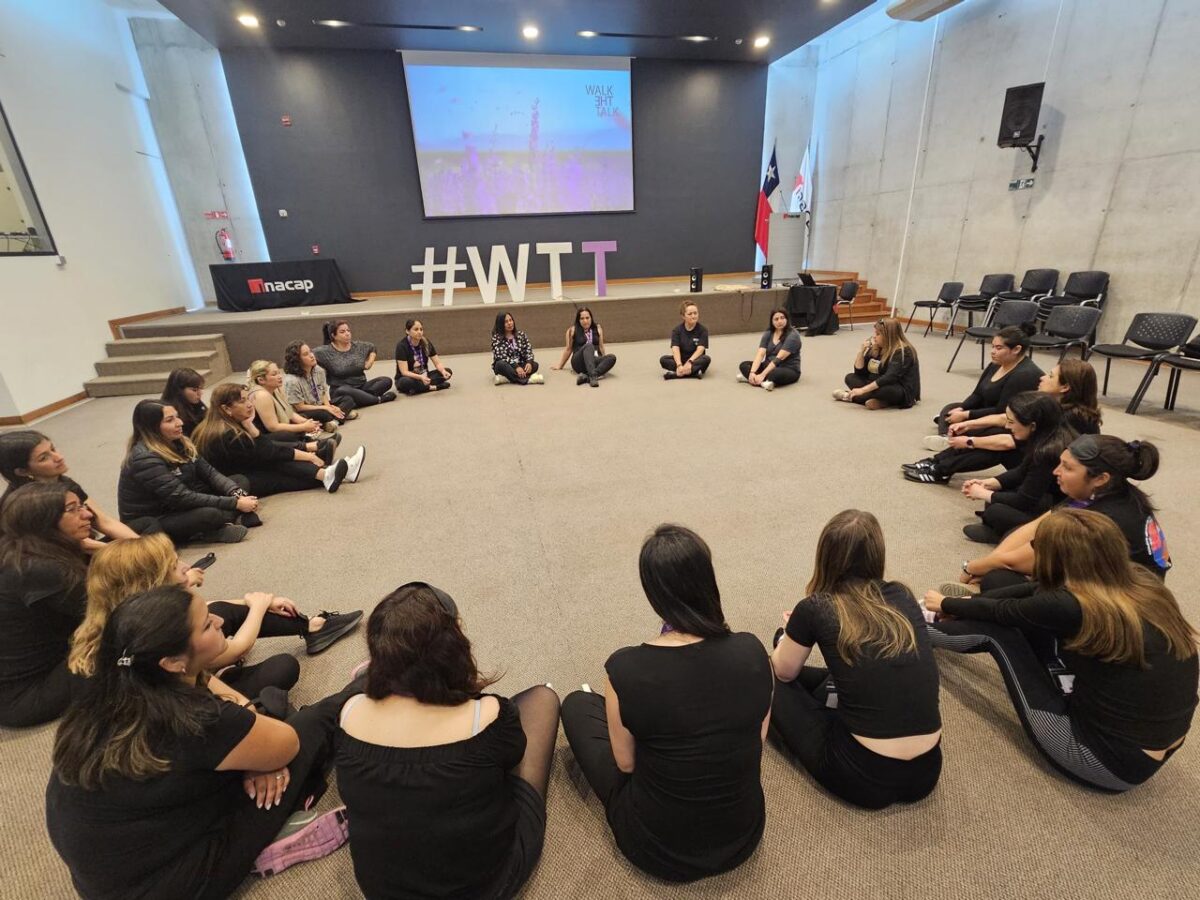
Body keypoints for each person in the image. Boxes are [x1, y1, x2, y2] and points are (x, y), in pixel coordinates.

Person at [46, 585, 357, 899]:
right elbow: (288, 743)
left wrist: (251, 749)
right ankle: (367, 684)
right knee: (313, 725)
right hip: (165, 883)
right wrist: (263, 760)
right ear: (171, 662)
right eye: (207, 624)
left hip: (110, 871)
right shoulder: (193, 718)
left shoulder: (112, 690)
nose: (219, 622)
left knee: (266, 729)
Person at [923, 509, 1197, 792]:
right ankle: (962, 612)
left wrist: (947, 605)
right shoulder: (1138, 581)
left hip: (1106, 761)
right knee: (1002, 585)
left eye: (1036, 547)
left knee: (999, 634)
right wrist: (967, 603)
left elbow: (1012, 611)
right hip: (1151, 741)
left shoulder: (1074, 605)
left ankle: (913, 629)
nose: (1031, 550)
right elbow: (1035, 594)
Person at [560, 525, 773, 882]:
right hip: (743, 835)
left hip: (656, 848)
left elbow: (626, 764)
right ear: (709, 580)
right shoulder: (754, 652)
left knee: (577, 705)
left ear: (653, 594)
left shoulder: (625, 669)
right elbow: (758, 740)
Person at [336, 582, 559, 899]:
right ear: (452, 649)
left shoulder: (349, 715)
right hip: (482, 886)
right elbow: (513, 755)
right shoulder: (486, 716)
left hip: (382, 890)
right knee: (543, 699)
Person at [771, 510, 942, 809]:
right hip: (927, 770)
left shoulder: (815, 607)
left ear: (824, 555)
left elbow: (782, 673)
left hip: (861, 775)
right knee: (839, 678)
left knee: (762, 670)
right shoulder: (901, 594)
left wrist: (788, 635)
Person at [70, 534, 361, 699]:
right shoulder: (156, 638)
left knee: (223, 610)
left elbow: (212, 607)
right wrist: (258, 607)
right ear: (151, 583)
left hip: (190, 673)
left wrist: (259, 601)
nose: (185, 567)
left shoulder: (127, 615)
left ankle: (309, 627)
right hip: (186, 703)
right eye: (174, 566)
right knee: (282, 667)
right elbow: (235, 649)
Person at [957, 435, 1170, 594]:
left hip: (1122, 606)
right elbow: (1038, 526)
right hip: (1098, 579)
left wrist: (971, 568)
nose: (1056, 472)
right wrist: (990, 561)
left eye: (1067, 468)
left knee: (998, 580)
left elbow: (1017, 562)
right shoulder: (1099, 491)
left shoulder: (1103, 518)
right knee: (1014, 536)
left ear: (1100, 478)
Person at [906, 358, 1100, 478]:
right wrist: (968, 423)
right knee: (995, 429)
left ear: (1065, 387)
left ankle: (940, 470)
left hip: (1053, 471)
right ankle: (936, 461)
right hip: (1036, 456)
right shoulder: (1051, 402)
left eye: (1049, 376)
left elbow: (1010, 442)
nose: (1042, 378)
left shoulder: (1073, 417)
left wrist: (970, 441)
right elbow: (1004, 417)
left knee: (998, 447)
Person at [902, 325, 1043, 482]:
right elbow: (978, 393)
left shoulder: (1024, 375)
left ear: (1016, 349)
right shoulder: (996, 364)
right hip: (991, 412)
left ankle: (941, 466)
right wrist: (962, 409)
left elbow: (1002, 413)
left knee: (988, 437)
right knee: (950, 410)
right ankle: (939, 456)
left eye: (998, 348)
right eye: (993, 347)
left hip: (1004, 419)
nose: (993, 351)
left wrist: (968, 417)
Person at [0, 483, 90, 727]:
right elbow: (113, 614)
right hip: (28, 696)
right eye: (73, 510)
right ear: (44, 522)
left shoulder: (26, 552)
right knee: (137, 639)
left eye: (81, 505)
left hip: (44, 668)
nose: (87, 514)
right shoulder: (41, 569)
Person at [117, 400, 259, 545]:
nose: (180, 423)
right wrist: (235, 504)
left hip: (183, 500)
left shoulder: (178, 441)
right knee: (210, 514)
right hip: (159, 516)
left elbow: (210, 473)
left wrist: (237, 494)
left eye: (177, 417)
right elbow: (182, 498)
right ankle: (211, 528)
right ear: (152, 427)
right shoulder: (145, 458)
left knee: (239, 481)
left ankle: (219, 526)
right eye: (170, 420)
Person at [193, 384, 365, 496]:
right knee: (279, 464)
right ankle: (327, 473)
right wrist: (308, 455)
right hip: (235, 483)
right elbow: (268, 452)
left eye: (248, 399)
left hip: (243, 471)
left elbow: (263, 450)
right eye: (243, 401)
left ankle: (330, 473)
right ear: (226, 408)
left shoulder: (221, 424)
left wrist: (249, 425)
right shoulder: (226, 433)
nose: (249, 404)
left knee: (279, 457)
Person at [956, 392, 1076, 543]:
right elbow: (1021, 471)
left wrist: (983, 493)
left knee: (995, 510)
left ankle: (1006, 532)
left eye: (1012, 422)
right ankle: (1001, 528)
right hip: (1046, 496)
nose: (1007, 426)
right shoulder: (1046, 436)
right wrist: (988, 483)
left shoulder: (1047, 452)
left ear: (1032, 425)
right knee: (998, 496)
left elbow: (1024, 500)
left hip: (1059, 509)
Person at [0, 430, 138, 549]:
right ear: (22, 472)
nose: (59, 457)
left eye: (53, 449)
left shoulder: (64, 482)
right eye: (43, 458)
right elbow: (76, 545)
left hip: (83, 544)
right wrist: (137, 554)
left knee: (146, 526)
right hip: (61, 562)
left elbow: (103, 521)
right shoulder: (24, 504)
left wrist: (144, 546)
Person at [832, 317, 920, 409]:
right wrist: (861, 352)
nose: (874, 337)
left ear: (888, 336)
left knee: (883, 390)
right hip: (876, 383)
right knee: (850, 377)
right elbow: (860, 372)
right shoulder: (877, 347)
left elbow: (890, 377)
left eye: (878, 334)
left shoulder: (904, 352)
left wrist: (862, 390)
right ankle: (881, 402)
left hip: (898, 388)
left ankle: (850, 397)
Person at [247, 359, 340, 442]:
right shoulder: (261, 395)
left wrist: (306, 422)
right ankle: (314, 446)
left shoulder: (275, 389)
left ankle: (314, 444)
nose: (279, 376)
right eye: (274, 374)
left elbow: (289, 413)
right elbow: (273, 427)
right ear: (261, 380)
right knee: (287, 435)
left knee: (316, 416)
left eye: (279, 373)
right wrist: (303, 427)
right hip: (266, 436)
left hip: (280, 426)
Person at [313, 319, 395, 406]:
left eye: (348, 330)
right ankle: (377, 399)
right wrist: (318, 369)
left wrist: (369, 363)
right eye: (342, 332)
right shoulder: (325, 351)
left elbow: (372, 347)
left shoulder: (358, 346)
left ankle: (362, 399)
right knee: (343, 390)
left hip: (362, 387)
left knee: (386, 380)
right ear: (334, 335)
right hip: (341, 390)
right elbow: (307, 354)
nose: (347, 333)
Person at [282, 340, 358, 426]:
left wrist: (328, 406)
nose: (311, 355)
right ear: (297, 360)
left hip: (318, 404)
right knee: (323, 414)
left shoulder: (318, 370)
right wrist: (325, 408)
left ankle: (334, 421)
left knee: (348, 399)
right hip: (305, 411)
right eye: (306, 354)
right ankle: (342, 415)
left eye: (310, 351)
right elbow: (300, 407)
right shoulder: (292, 380)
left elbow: (323, 392)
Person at [737, 308, 801, 391]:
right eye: (776, 319)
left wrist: (762, 374)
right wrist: (752, 372)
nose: (780, 321)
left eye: (782, 318)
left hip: (788, 368)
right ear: (772, 321)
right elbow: (760, 354)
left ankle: (755, 379)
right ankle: (763, 381)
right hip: (768, 365)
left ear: (787, 319)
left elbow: (779, 359)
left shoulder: (793, 336)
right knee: (744, 365)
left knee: (775, 374)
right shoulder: (769, 332)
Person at [553, 306, 616, 387]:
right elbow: (568, 349)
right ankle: (593, 377)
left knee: (612, 357)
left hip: (594, 359)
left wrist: (603, 361)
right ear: (578, 320)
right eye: (582, 318)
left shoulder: (598, 328)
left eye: (587, 318)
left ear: (591, 318)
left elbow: (601, 347)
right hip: (579, 361)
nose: (585, 321)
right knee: (589, 345)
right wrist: (560, 365)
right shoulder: (572, 330)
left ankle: (588, 377)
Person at [395, 318, 454, 395]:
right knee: (405, 382)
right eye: (416, 329)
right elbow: (404, 372)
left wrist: (443, 371)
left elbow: (437, 363)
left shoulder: (426, 342)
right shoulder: (401, 346)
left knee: (448, 371)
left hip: (425, 376)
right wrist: (420, 378)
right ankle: (433, 387)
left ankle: (417, 389)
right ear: (407, 331)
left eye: (421, 329)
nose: (419, 332)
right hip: (409, 377)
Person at [660, 300, 711, 380]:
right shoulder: (676, 330)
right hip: (681, 360)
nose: (693, 316)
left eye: (695, 313)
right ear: (683, 316)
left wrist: (690, 362)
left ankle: (676, 374)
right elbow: (675, 348)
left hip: (695, 361)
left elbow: (700, 350)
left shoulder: (703, 330)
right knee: (663, 359)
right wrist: (679, 365)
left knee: (706, 359)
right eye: (690, 314)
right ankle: (693, 374)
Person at [491, 312, 543, 385]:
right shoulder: (496, 338)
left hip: (520, 364)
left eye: (511, 320)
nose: (509, 323)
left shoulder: (521, 335)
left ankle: (507, 378)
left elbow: (528, 350)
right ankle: (528, 380)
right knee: (500, 364)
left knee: (535, 365)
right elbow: (501, 356)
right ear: (500, 324)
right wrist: (516, 367)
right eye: (506, 322)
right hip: (507, 365)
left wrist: (529, 362)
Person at [161, 368, 208, 438]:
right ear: (179, 391)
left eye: (200, 389)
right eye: (194, 390)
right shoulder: (170, 411)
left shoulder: (196, 404)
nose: (200, 393)